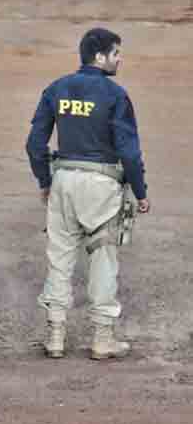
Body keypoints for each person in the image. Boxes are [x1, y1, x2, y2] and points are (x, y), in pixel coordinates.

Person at [26, 27, 150, 360]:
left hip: (64, 179)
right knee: (103, 260)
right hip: (101, 185)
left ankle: (54, 336)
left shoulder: (57, 89)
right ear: (100, 56)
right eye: (116, 53)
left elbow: (35, 144)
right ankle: (102, 338)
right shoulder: (115, 95)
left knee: (60, 258)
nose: (119, 59)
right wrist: (140, 192)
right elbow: (129, 152)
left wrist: (45, 181)